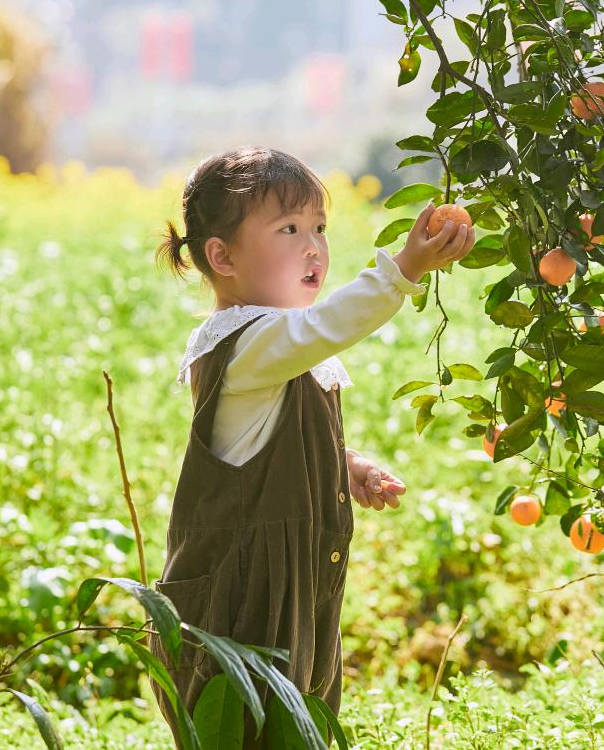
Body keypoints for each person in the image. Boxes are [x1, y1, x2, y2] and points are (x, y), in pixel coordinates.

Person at [149, 146, 474, 749]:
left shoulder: (277, 346)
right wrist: (402, 268)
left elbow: (268, 439)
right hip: (242, 593)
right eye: (289, 229)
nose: (314, 246)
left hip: (292, 585)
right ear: (222, 257)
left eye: (320, 228)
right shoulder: (247, 342)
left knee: (297, 718)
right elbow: (325, 326)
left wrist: (345, 467)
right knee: (245, 726)